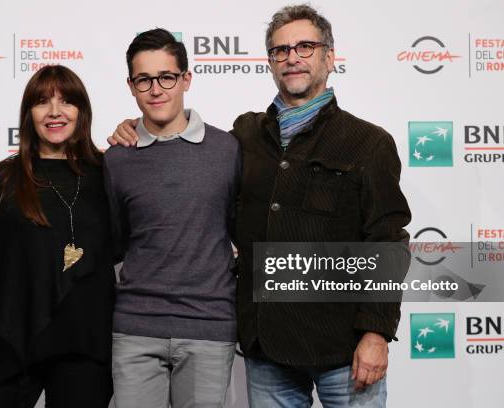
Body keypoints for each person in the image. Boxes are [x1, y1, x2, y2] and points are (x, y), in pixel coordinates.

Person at [108, 5, 411, 407]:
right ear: (270, 62)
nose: (292, 58)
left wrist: (375, 333)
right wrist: (132, 127)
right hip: (268, 349)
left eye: (305, 46)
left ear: (330, 56)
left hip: (343, 346)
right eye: (280, 50)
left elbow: (387, 243)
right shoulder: (246, 136)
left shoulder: (367, 142)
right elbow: (179, 161)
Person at [0, 65, 115, 408]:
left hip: (82, 346)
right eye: (42, 102)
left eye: (67, 101)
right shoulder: (3, 179)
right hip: (10, 340)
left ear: (82, 111)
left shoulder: (109, 174)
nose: (55, 112)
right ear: (28, 114)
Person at [104, 29, 240, 408]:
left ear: (186, 80)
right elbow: (117, 239)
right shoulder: (117, 157)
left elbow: (236, 227)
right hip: (135, 327)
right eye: (143, 79)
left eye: (166, 77)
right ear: (131, 86)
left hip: (208, 327)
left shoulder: (226, 150)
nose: (156, 89)